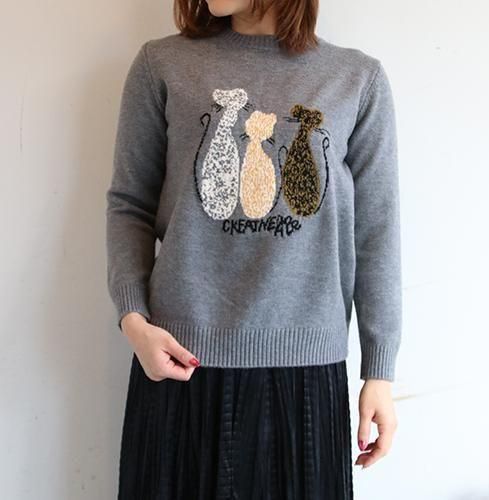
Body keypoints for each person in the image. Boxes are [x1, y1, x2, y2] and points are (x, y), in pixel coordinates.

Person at [105, 0, 402, 498]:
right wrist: (133, 319)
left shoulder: (356, 79)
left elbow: (377, 231)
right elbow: (129, 205)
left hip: (307, 379)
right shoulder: (161, 65)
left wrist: (380, 370)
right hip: (178, 367)